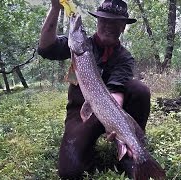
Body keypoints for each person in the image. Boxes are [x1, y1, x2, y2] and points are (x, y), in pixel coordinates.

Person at [37, 0, 151, 179]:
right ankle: (88, 150)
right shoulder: (79, 46)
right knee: (69, 172)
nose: (109, 26)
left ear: (123, 27)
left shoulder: (125, 57)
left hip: (109, 108)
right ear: (98, 22)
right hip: (81, 111)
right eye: (105, 20)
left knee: (139, 90)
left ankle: (131, 152)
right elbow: (45, 48)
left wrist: (114, 123)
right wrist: (55, 8)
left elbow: (116, 92)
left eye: (116, 22)